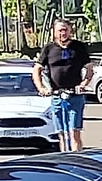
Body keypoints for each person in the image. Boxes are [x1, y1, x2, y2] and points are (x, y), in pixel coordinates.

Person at [36, 17, 90, 150]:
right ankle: (64, 157)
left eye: (65, 30)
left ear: (70, 31)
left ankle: (77, 159)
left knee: (74, 132)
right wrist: (42, 88)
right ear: (54, 32)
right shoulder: (49, 49)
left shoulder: (78, 47)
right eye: (60, 30)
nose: (63, 33)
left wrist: (83, 84)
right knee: (61, 134)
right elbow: (36, 69)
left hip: (74, 96)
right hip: (56, 96)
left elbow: (89, 68)